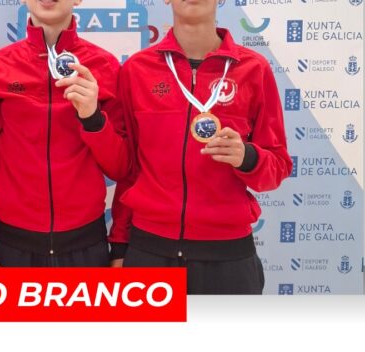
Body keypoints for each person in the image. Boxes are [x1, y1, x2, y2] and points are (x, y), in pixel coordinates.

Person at [109, 0, 293, 293]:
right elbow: (129, 170)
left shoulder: (253, 69)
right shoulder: (137, 69)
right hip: (150, 249)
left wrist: (247, 157)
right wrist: (119, 244)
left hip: (228, 256)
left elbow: (279, 166)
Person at [0, 0, 130, 267]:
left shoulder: (105, 66)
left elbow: (121, 168)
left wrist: (92, 119)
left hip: (86, 245)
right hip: (14, 247)